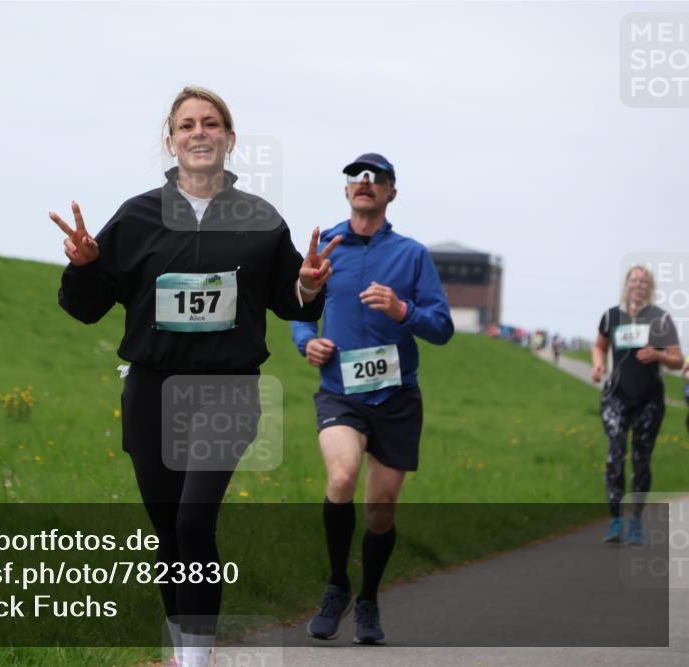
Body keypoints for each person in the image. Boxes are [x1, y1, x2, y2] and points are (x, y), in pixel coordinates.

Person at [53, 86, 339, 667]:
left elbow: (294, 303)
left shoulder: (260, 220)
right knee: (168, 536)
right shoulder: (135, 217)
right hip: (151, 391)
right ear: (171, 140)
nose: (199, 133)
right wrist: (83, 266)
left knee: (192, 521)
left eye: (211, 123)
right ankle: (185, 650)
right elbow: (85, 308)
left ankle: (197, 658)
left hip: (227, 391)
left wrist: (309, 283)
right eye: (187, 125)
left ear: (230, 140)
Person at [291, 153, 454, 644]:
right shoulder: (327, 248)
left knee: (381, 509)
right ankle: (337, 584)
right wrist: (306, 340)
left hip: (397, 396)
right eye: (356, 177)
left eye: (376, 178)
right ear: (346, 191)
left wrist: (403, 309)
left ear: (390, 193)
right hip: (341, 394)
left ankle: (368, 599)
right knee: (341, 477)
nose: (364, 183)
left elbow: (442, 326)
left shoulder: (412, 254)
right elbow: (299, 307)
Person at [592, 266, 684, 545]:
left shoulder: (660, 319)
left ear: (650, 287)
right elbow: (600, 346)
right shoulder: (611, 316)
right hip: (616, 397)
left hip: (649, 400)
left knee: (641, 461)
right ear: (627, 284)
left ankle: (635, 522)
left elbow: (678, 360)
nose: (639, 284)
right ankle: (615, 520)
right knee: (615, 452)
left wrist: (658, 355)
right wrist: (598, 365)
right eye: (634, 279)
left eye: (644, 281)